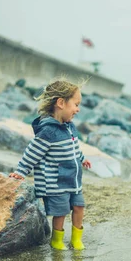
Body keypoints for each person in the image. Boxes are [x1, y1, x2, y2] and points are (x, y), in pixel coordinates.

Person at [9, 78, 92, 250]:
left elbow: (74, 147)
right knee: (60, 212)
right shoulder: (48, 131)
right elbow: (32, 153)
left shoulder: (70, 127)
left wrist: (82, 158)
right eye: (76, 104)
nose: (78, 109)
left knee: (79, 206)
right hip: (55, 183)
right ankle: (57, 240)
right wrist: (21, 171)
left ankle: (76, 239)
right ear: (61, 103)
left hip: (73, 180)